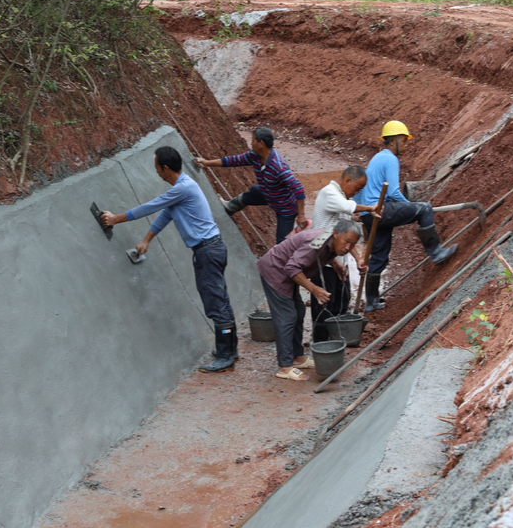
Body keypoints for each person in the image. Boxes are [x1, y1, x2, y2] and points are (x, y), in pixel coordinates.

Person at [100, 146, 238, 373]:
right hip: (213, 248)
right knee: (220, 297)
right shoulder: (182, 188)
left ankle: (225, 356)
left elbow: (150, 206)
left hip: (206, 251)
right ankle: (229, 349)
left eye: (156, 167)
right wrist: (147, 240)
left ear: (165, 168)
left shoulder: (182, 188)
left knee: (215, 301)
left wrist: (116, 219)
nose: (156, 172)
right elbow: (165, 214)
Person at [354, 120, 457, 313]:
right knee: (424, 209)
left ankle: (371, 302)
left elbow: (362, 190)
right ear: (393, 141)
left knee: (378, 256)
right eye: (404, 140)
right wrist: (412, 207)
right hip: (381, 209)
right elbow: (392, 191)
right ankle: (436, 253)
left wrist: (361, 213)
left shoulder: (376, 158)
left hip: (371, 213)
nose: (407, 145)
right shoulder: (391, 159)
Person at [255, 219, 363, 381]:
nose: (348, 248)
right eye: (346, 242)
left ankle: (298, 357)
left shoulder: (331, 241)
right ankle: (285, 367)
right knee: (287, 316)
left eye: (352, 244)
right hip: (275, 270)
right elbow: (292, 267)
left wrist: (334, 263)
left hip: (287, 272)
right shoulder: (316, 242)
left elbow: (320, 254)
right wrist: (314, 289)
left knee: (298, 311)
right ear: (335, 234)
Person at [195, 126, 308, 245]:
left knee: (282, 243)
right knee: (254, 191)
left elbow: (299, 189)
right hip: (269, 193)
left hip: (286, 208)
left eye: (253, 140)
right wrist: (207, 163)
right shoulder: (255, 156)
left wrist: (301, 215)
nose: (251, 143)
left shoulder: (278, 167)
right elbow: (233, 160)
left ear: (261, 143)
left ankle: (286, 261)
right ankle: (230, 207)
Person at [308, 165, 379, 342]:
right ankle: (322, 345)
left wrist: (358, 259)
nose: (356, 193)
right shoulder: (329, 193)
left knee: (342, 302)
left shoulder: (340, 199)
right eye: (357, 188)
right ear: (347, 180)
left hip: (341, 262)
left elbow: (348, 236)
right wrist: (370, 208)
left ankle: (338, 340)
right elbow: (349, 207)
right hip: (325, 264)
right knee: (324, 309)